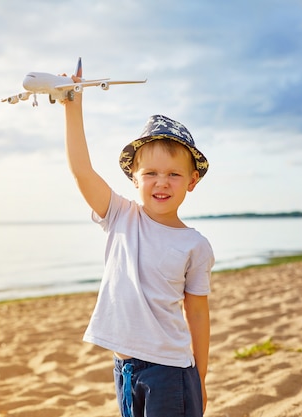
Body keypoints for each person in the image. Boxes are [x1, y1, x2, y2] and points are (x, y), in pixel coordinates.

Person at [61, 76, 214, 417]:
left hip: (171, 371)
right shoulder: (120, 216)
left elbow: (198, 313)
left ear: (192, 181)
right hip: (125, 368)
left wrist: (201, 377)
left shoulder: (194, 245)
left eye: (174, 174)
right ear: (134, 177)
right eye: (151, 173)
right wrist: (73, 108)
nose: (162, 182)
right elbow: (82, 172)